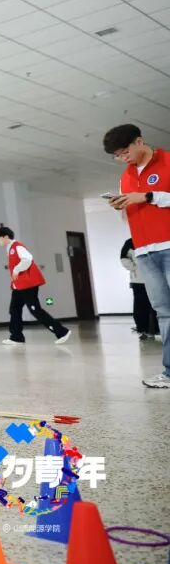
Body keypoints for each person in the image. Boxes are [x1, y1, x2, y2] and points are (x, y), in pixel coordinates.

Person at [104, 124, 170, 388]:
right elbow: (131, 214)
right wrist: (120, 205)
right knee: (164, 312)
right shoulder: (126, 177)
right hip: (144, 251)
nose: (123, 159)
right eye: (117, 156)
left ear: (139, 141)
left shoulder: (167, 161)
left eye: (125, 152)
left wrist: (148, 196)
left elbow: (148, 200)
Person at [0, 226, 70, 345]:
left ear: (5, 237)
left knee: (35, 310)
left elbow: (28, 259)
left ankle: (61, 332)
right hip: (18, 286)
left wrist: (16, 269)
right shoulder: (9, 249)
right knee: (14, 310)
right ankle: (16, 337)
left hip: (28, 285)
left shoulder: (17, 246)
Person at [121, 238, 158, 340]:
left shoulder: (155, 239)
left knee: (157, 306)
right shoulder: (130, 242)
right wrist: (135, 268)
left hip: (156, 279)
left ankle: (156, 330)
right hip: (139, 281)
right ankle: (142, 330)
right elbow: (124, 259)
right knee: (140, 307)